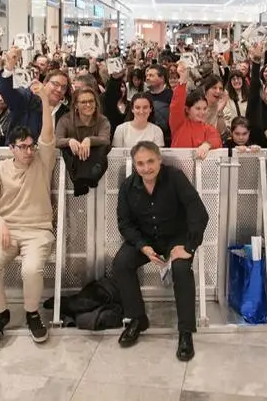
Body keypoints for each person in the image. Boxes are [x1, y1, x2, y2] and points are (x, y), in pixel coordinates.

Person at [0, 84, 59, 346]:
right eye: (22, 147)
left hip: (38, 230)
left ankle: (33, 314)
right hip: (7, 230)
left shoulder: (42, 161)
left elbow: (47, 132)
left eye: (31, 146)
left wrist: (45, 99)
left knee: (31, 270)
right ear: (11, 148)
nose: (28, 151)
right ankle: (1, 314)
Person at [113, 141, 209, 361]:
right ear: (134, 165)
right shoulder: (127, 187)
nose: (146, 168)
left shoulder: (175, 178)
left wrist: (189, 247)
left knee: (181, 269)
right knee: (121, 263)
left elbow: (198, 213)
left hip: (176, 238)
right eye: (140, 163)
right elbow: (125, 223)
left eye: (150, 161)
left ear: (159, 160)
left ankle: (186, 331)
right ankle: (137, 319)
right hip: (146, 239)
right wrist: (142, 246)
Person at [0, 48, 70, 143]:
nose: (59, 90)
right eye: (55, 84)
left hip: (52, 155)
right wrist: (9, 67)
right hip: (22, 152)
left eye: (63, 87)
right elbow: (8, 92)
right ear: (45, 83)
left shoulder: (66, 112)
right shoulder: (29, 98)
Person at [56, 87, 111, 195]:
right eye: (83, 102)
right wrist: (69, 141)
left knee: (101, 148)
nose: (88, 105)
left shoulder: (102, 120)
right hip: (70, 173)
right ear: (76, 105)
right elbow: (56, 141)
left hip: (97, 172)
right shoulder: (65, 120)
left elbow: (106, 140)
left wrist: (89, 140)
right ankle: (79, 182)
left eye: (91, 101)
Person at [169, 64, 223, 159]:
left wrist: (207, 144)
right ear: (187, 109)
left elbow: (216, 139)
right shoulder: (179, 123)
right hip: (179, 169)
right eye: (198, 108)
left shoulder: (208, 128)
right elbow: (176, 106)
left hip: (201, 170)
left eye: (205, 108)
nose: (202, 112)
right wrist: (182, 82)